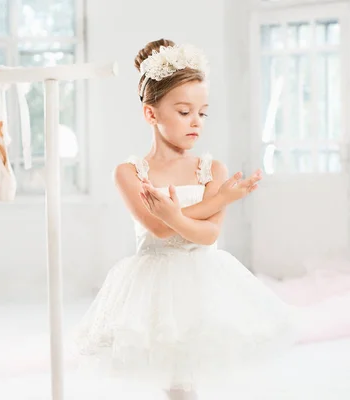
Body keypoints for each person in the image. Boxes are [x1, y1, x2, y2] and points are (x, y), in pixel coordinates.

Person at [73, 39, 296, 400]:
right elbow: (159, 228)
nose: (196, 122)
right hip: (155, 285)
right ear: (151, 114)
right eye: (183, 111)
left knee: (190, 373)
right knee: (173, 377)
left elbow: (207, 236)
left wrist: (184, 210)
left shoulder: (212, 169)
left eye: (202, 113)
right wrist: (219, 199)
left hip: (203, 280)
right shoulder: (130, 173)